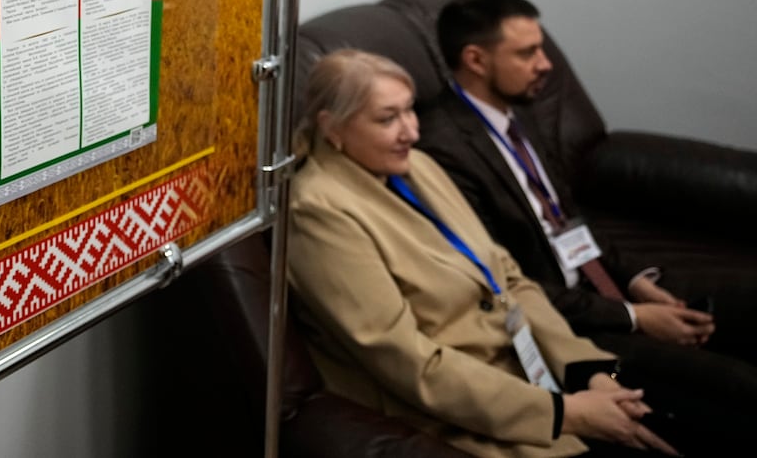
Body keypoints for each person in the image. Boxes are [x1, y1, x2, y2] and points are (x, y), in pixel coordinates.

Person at [289, 49, 683, 457]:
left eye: (410, 111)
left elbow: (507, 276)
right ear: (331, 128)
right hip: (457, 408)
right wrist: (564, 413)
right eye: (388, 119)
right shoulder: (318, 211)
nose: (411, 131)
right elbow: (406, 361)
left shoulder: (417, 165)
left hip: (527, 367)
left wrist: (586, 370)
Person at [420, 0, 757, 400]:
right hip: (564, 323)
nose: (546, 65)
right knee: (744, 391)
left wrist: (639, 280)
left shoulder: (516, 112)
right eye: (527, 53)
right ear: (476, 60)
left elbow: (567, 215)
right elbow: (501, 282)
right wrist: (633, 317)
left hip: (606, 286)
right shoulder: (441, 151)